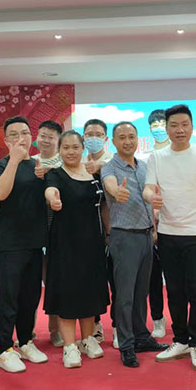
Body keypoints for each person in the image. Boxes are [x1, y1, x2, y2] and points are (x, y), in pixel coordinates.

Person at [144, 104, 196, 371]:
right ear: (166, 128)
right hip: (168, 234)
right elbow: (148, 189)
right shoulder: (157, 157)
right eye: (174, 125)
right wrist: (151, 198)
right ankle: (180, 340)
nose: (179, 130)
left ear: (191, 127)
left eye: (184, 125)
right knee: (175, 292)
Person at [101, 122, 168, 367]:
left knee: (142, 292)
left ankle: (141, 337)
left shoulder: (145, 167)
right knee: (125, 295)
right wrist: (116, 192)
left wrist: (154, 226)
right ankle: (126, 345)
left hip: (146, 236)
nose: (127, 141)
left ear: (138, 138)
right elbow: (110, 184)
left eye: (131, 136)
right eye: (122, 137)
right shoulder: (109, 167)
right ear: (113, 141)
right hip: (124, 237)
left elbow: (149, 194)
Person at [43, 131, 110, 368]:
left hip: (92, 242)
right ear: (59, 150)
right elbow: (50, 191)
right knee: (68, 292)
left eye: (75, 147)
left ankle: (88, 339)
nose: (70, 152)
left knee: (89, 290)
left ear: (82, 148)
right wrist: (53, 200)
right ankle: (70, 346)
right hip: (65, 243)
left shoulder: (93, 174)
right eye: (66, 148)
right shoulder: (55, 174)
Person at [0, 116, 49, 373]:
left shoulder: (39, 165)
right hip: (10, 243)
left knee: (30, 296)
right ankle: (5, 349)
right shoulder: (1, 166)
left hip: (35, 242)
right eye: (14, 134)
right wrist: (14, 161)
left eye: (24, 133)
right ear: (6, 140)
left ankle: (25, 341)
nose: (20, 138)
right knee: (9, 297)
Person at [31, 119, 64, 348]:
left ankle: (56, 330)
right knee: (30, 284)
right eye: (42, 135)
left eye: (50, 137)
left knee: (56, 283)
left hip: (58, 232)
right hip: (32, 231)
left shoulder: (65, 163)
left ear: (58, 140)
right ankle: (28, 330)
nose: (45, 140)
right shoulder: (29, 162)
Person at [82, 118, 115, 343]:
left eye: (98, 134)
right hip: (87, 233)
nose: (93, 138)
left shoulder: (113, 161)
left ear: (105, 138)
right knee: (91, 281)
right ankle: (94, 325)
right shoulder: (78, 162)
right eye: (89, 134)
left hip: (113, 231)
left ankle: (119, 326)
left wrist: (101, 167)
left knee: (116, 281)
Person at [145, 109, 168, 338]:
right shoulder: (146, 157)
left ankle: (182, 319)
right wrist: (152, 224)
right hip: (152, 227)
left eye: (162, 122)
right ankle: (157, 319)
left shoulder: (184, 154)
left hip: (178, 226)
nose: (159, 127)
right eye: (155, 124)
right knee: (153, 278)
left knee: (177, 279)